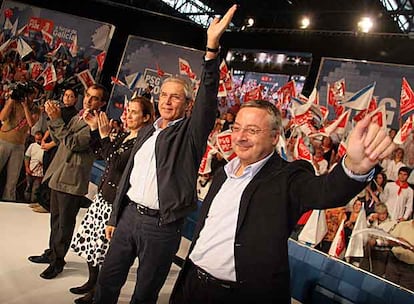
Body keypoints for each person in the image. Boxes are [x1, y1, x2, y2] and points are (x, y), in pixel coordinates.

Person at [169, 100, 395, 304]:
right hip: (192, 286)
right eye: (237, 128)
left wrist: (354, 168)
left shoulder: (288, 177)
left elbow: (325, 191)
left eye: (252, 130)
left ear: (275, 137)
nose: (240, 137)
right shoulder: (223, 173)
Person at [94, 6, 237, 304]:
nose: (167, 100)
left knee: (145, 292)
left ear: (187, 104)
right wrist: (115, 216)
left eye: (176, 96)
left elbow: (208, 101)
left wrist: (211, 49)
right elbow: (128, 176)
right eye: (164, 95)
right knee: (107, 281)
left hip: (162, 226)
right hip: (128, 217)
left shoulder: (190, 133)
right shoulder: (147, 131)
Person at [70, 97, 154, 304]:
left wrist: (105, 136)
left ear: (146, 117)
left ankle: (97, 292)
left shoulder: (141, 143)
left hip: (116, 204)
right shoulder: (124, 135)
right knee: (91, 245)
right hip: (102, 198)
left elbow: (115, 162)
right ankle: (91, 282)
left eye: (134, 112)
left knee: (104, 251)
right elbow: (99, 153)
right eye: (128, 110)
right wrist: (93, 130)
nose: (128, 114)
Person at [28, 84, 108, 280]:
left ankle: (58, 262)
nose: (89, 100)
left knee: (64, 224)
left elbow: (73, 143)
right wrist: (52, 119)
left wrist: (56, 120)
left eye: (95, 98)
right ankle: (52, 252)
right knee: (55, 219)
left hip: (72, 179)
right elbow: (61, 138)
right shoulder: (78, 115)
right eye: (88, 95)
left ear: (102, 103)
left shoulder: (95, 124)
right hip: (60, 174)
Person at [0, 91, 39, 200]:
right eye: (29, 92)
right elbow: (2, 117)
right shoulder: (13, 103)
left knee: (13, 178)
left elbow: (31, 123)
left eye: (33, 93)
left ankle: (8, 199)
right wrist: (11, 100)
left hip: (19, 145)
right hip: (3, 141)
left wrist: (25, 107)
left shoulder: (36, 109)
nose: (30, 96)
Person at [384, 219, 414, 290]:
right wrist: (397, 242)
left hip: (410, 269)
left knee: (403, 294)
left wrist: (410, 247)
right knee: (388, 289)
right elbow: (389, 241)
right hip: (394, 262)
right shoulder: (402, 225)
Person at [24, 130, 44, 202]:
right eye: (36, 139)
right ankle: (26, 202)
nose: (38, 140)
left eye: (40, 139)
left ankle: (33, 202)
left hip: (40, 173)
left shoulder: (45, 147)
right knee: (28, 187)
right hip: (31, 171)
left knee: (36, 189)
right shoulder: (32, 146)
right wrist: (27, 167)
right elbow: (27, 157)